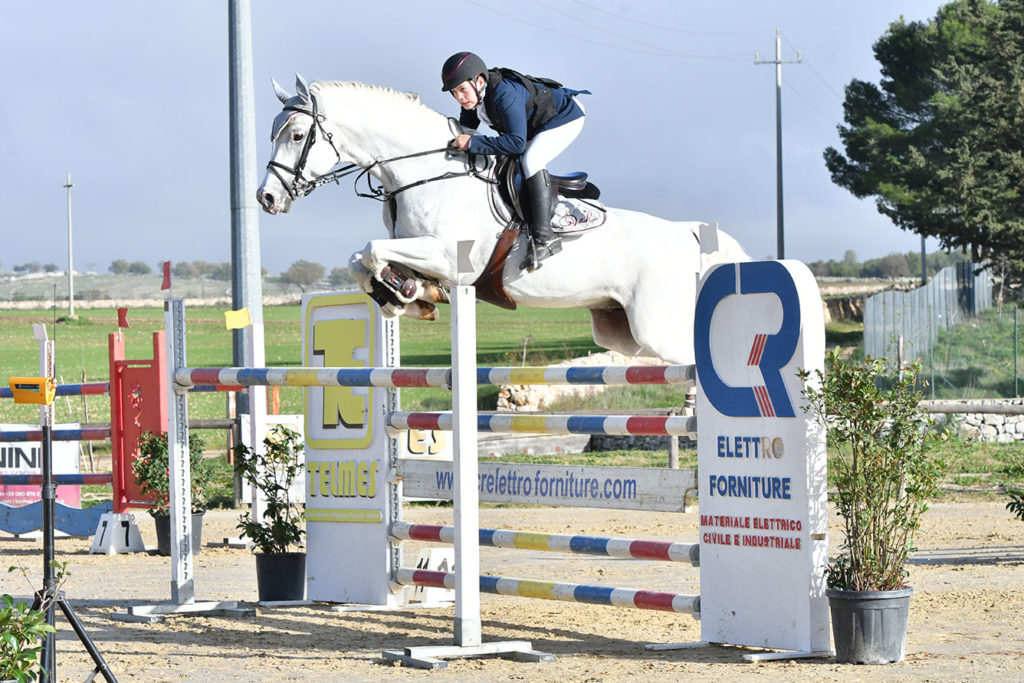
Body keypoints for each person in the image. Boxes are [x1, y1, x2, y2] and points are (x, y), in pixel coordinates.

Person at [441, 51, 588, 271]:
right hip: (534, 125)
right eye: (454, 93)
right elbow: (465, 134)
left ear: (479, 81)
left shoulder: (503, 95)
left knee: (531, 160)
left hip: (565, 117)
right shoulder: (473, 100)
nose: (460, 98)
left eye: (462, 89)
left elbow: (516, 143)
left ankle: (545, 239)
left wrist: (472, 144)